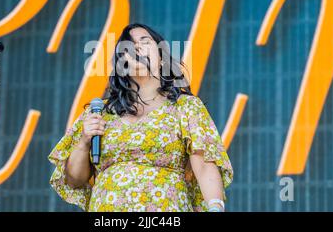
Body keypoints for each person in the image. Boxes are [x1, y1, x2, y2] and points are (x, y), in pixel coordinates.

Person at [48, 23, 233, 212]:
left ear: (162, 59)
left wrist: (215, 207)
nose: (136, 48)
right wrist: (84, 142)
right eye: (128, 47)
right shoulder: (100, 112)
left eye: (145, 42)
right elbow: (74, 180)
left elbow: (204, 166)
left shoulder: (185, 107)